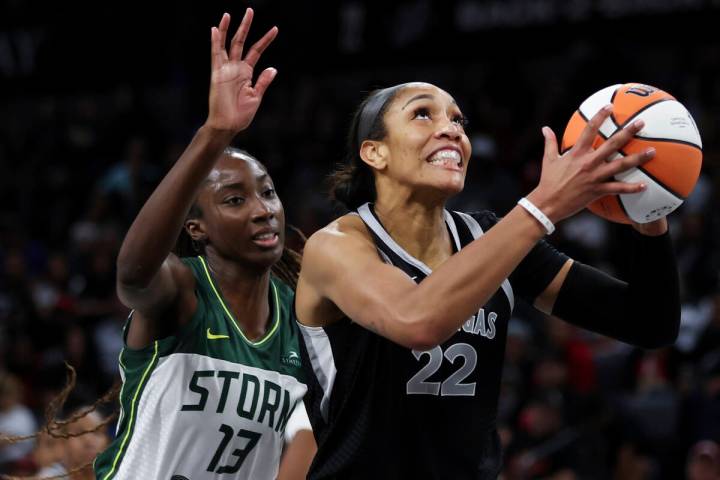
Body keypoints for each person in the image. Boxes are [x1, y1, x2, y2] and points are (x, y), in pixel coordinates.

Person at [295, 82, 680, 478]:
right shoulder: (336, 246)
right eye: (423, 113)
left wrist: (650, 207)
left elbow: (649, 322)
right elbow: (416, 321)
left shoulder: (490, 239)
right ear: (375, 152)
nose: (452, 129)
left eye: (458, 119)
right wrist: (542, 205)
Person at [93, 9, 313, 480]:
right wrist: (215, 133)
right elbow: (133, 275)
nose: (263, 209)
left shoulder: (301, 321)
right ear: (197, 229)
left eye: (268, 192)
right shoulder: (182, 291)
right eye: (235, 200)